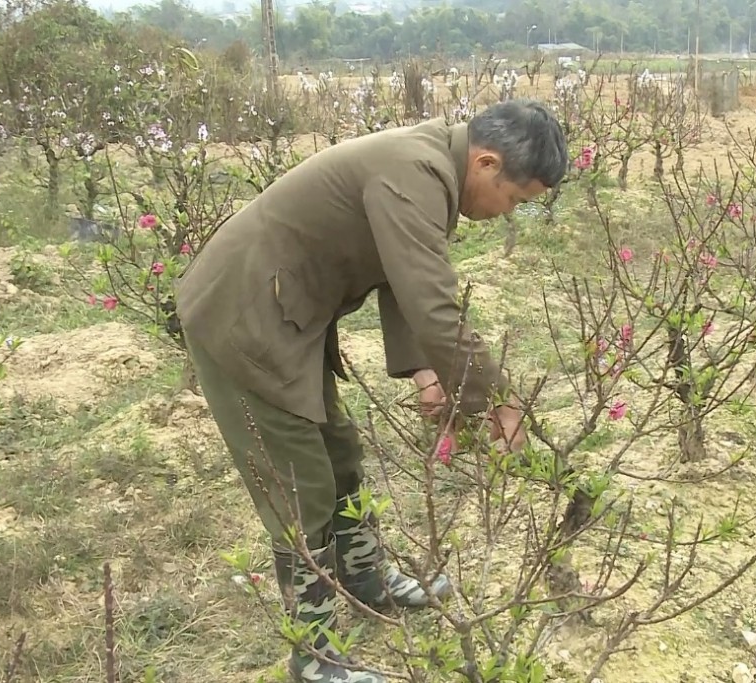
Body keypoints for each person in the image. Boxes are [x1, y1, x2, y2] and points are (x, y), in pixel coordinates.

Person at [172, 99, 569, 682]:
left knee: (340, 455)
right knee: (301, 483)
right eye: (515, 199)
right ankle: (315, 655)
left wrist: (425, 372)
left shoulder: (431, 163)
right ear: (486, 164)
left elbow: (400, 272)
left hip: (286, 310)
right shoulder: (415, 168)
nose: (508, 212)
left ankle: (364, 578)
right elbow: (432, 303)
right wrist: (501, 403)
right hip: (244, 315)